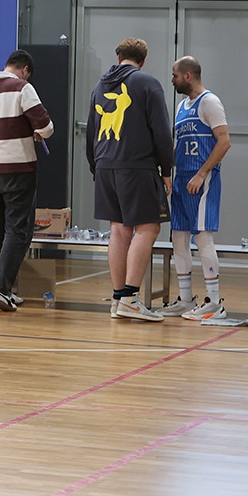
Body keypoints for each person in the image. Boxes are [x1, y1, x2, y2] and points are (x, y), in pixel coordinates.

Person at [86, 38, 174, 322]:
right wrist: (167, 169)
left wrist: (97, 167)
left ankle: (117, 299)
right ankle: (131, 298)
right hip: (136, 165)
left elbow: (92, 130)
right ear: (142, 60)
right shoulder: (147, 83)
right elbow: (162, 131)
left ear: (119, 56)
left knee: (118, 230)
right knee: (148, 228)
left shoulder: (100, 86)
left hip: (105, 165)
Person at [0, 50, 55, 311]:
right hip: (19, 167)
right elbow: (46, 128)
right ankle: (2, 289)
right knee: (18, 229)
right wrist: (34, 131)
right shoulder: (22, 88)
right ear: (25, 70)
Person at [158, 57, 232, 320]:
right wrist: (168, 173)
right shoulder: (181, 106)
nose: (172, 80)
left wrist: (202, 174)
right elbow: (178, 144)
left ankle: (214, 303)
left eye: (175, 75)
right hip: (182, 178)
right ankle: (187, 299)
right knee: (179, 237)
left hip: (202, 178)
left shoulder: (210, 102)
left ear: (188, 75)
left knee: (202, 237)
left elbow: (224, 142)